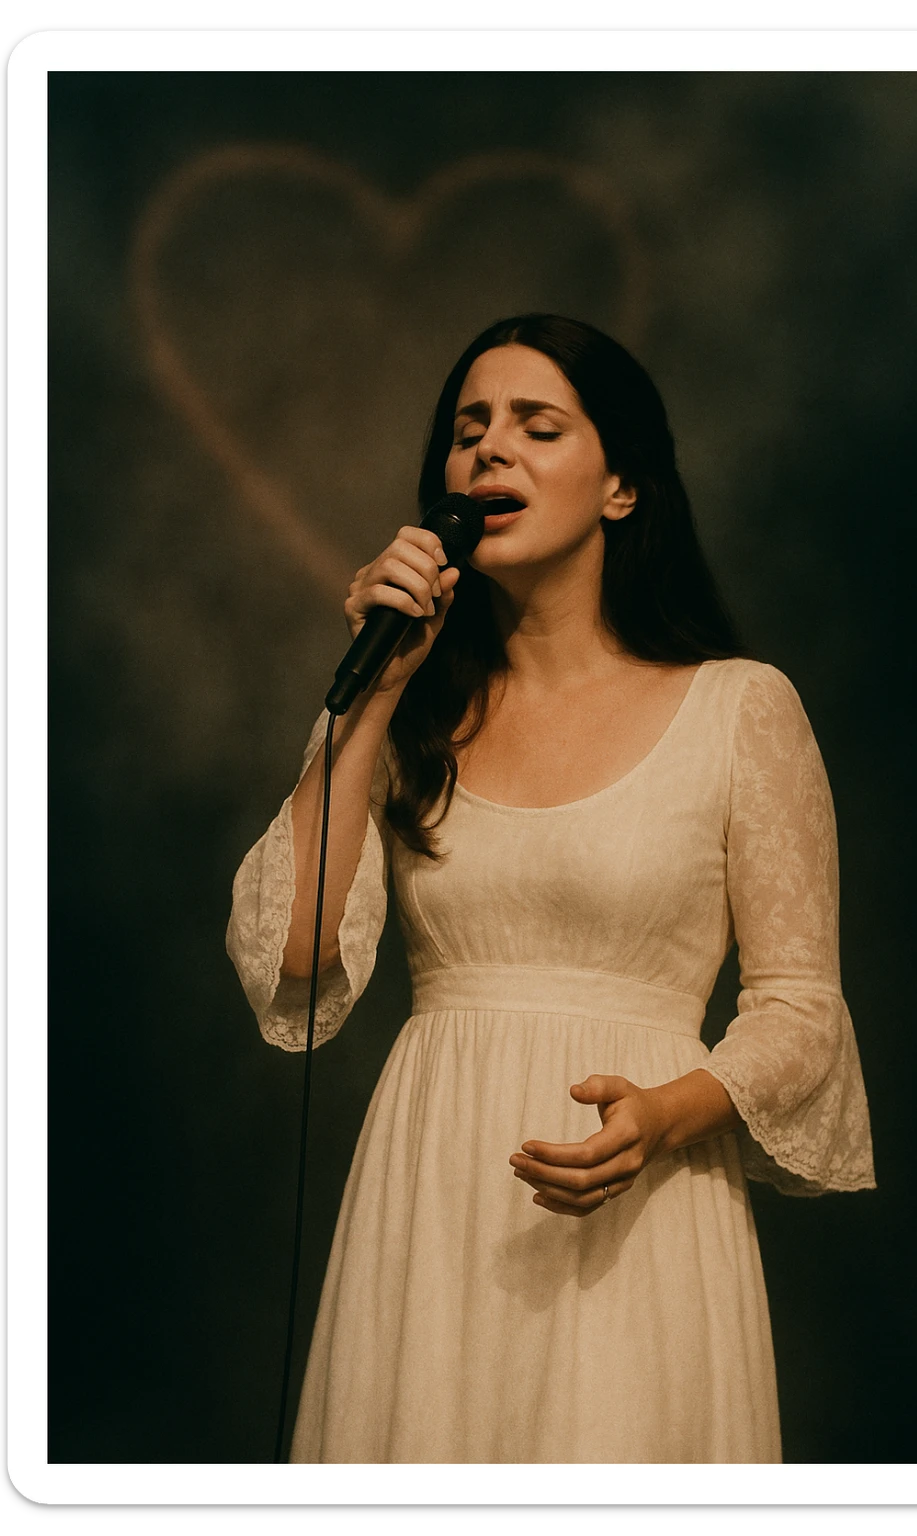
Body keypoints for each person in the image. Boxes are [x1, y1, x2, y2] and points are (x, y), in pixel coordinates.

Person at [226, 314, 875, 1464]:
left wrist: (669, 1114)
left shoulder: (738, 706)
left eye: (537, 425)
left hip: (636, 1196)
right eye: (469, 429)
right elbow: (291, 954)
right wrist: (373, 698)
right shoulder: (410, 711)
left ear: (622, 486)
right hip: (432, 1197)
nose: (490, 452)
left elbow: (801, 1010)